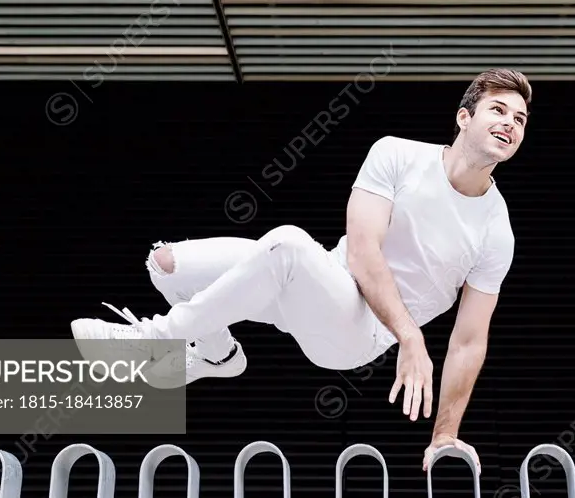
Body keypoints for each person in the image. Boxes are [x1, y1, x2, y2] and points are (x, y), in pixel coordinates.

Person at [70, 68, 530, 470]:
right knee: (166, 265)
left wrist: (444, 433)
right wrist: (413, 337)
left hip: (357, 332)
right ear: (464, 117)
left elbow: (469, 341)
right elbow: (363, 253)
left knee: (287, 243)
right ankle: (218, 354)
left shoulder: (495, 232)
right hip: (323, 281)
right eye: (498, 110)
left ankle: (155, 340)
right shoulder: (397, 154)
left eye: (520, 119)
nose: (510, 123)